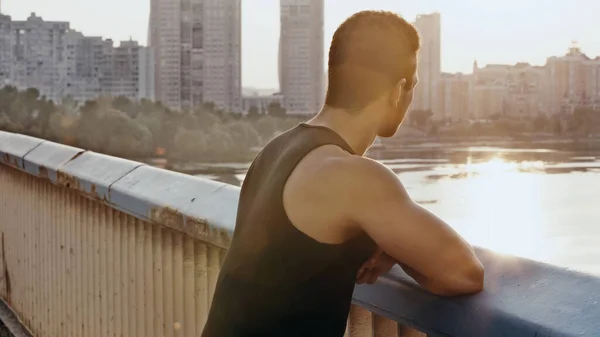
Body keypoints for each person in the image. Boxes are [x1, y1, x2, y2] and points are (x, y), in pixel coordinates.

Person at [202, 10, 484, 337]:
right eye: (413, 87)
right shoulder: (351, 176)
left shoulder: (275, 151)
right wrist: (397, 248)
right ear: (398, 90)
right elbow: (465, 273)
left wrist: (387, 242)